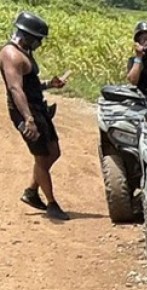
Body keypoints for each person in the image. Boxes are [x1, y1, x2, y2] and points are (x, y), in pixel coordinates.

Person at [2, 11, 68, 220]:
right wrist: (28, 119)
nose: (39, 43)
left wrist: (50, 84)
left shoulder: (24, 51)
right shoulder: (11, 55)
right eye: (38, 39)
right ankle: (51, 203)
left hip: (37, 108)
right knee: (41, 156)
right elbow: (16, 89)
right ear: (27, 35)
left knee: (53, 152)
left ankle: (31, 191)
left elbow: (29, 85)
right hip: (25, 111)